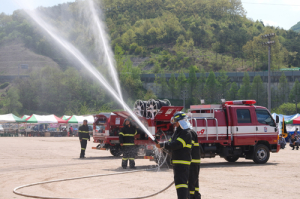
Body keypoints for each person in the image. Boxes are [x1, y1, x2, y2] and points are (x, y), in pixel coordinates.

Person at [156, 112, 192, 199]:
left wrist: (163, 145)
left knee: (181, 185)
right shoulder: (177, 132)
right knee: (179, 185)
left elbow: (177, 144)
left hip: (182, 163)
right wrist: (161, 145)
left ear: (181, 122)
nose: (175, 124)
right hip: (177, 163)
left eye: (176, 122)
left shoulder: (186, 133)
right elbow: (171, 143)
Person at [189, 129, 201, 199]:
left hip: (192, 162)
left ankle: (192, 196)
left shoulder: (189, 133)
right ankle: (195, 195)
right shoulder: (192, 132)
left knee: (192, 181)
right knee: (194, 181)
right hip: (194, 161)